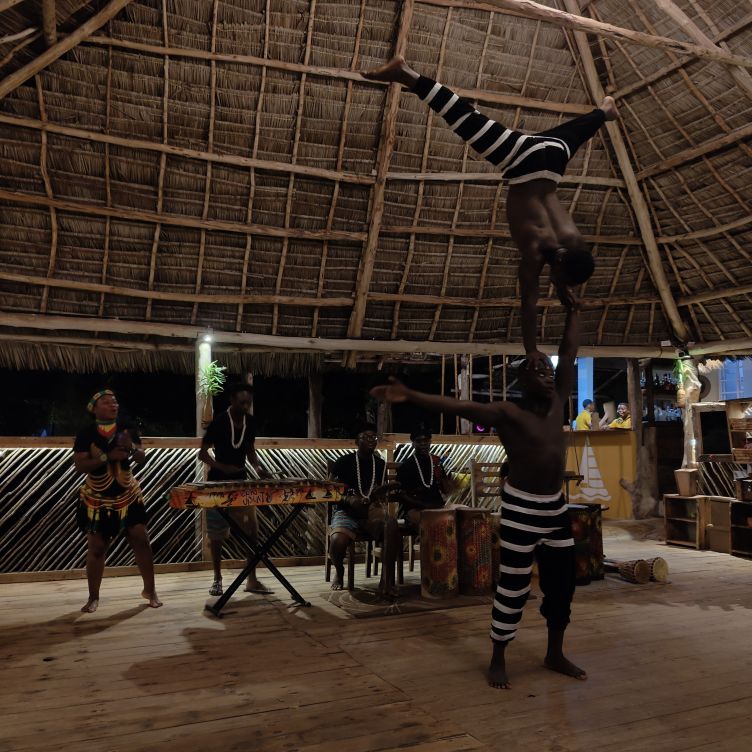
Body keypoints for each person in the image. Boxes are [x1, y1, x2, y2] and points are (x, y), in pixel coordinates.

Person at [370, 296, 586, 689]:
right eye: (537, 369)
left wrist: (574, 312)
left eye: (547, 368)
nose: (546, 373)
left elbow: (569, 353)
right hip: (521, 508)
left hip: (555, 508)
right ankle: (498, 655)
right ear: (523, 381)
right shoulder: (508, 413)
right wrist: (412, 396)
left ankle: (554, 652)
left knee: (562, 583)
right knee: (514, 585)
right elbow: (460, 406)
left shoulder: (558, 403)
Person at [363, 57, 616, 369]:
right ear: (560, 268)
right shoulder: (535, 252)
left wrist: (563, 284)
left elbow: (568, 260)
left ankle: (604, 112)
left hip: (554, 157)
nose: (554, 283)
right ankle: (405, 73)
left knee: (579, 130)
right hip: (522, 161)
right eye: (559, 280)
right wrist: (531, 349)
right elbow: (528, 303)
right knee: (465, 119)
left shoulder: (574, 241)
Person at [73, 389, 161, 613]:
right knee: (97, 547)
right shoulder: (86, 433)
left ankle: (150, 590)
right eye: (106, 402)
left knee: (141, 539)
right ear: (94, 409)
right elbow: (80, 466)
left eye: (115, 401)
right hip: (97, 498)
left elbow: (141, 458)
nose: (113, 405)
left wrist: (131, 447)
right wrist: (107, 457)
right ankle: (93, 597)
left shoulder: (127, 429)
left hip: (128, 494)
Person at [198, 382, 272, 597]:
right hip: (217, 485)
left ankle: (252, 580)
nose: (245, 406)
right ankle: (217, 579)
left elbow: (250, 451)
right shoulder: (219, 421)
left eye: (248, 402)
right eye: (242, 402)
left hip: (241, 483)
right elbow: (202, 454)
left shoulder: (251, 422)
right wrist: (223, 467)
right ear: (232, 400)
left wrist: (258, 468)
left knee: (252, 532)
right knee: (216, 536)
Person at [329, 424, 400, 597]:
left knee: (391, 525)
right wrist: (348, 499)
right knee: (337, 541)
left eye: (373, 437)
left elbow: (378, 493)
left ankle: (386, 581)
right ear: (356, 441)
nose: (371, 440)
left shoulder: (380, 464)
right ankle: (339, 571)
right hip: (346, 511)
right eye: (366, 437)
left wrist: (381, 492)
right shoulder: (343, 462)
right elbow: (329, 490)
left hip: (372, 510)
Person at [396, 426, 451, 530]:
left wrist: (450, 484)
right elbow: (402, 494)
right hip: (415, 509)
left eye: (426, 441)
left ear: (430, 442)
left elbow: (446, 489)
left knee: (456, 520)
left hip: (437, 507)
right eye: (419, 441)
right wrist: (425, 505)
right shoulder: (407, 466)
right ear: (413, 444)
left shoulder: (436, 462)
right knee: (431, 523)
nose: (423, 444)